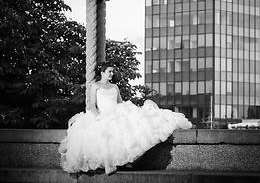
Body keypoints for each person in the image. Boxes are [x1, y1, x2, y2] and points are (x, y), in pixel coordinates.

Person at [58, 62, 192, 174]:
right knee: (105, 134)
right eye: (109, 71)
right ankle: (113, 162)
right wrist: (100, 117)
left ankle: (128, 160)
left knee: (132, 128)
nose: (112, 74)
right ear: (103, 72)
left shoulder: (114, 86)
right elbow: (92, 106)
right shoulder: (95, 86)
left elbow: (120, 102)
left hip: (116, 112)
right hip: (102, 115)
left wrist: (127, 111)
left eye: (112, 72)